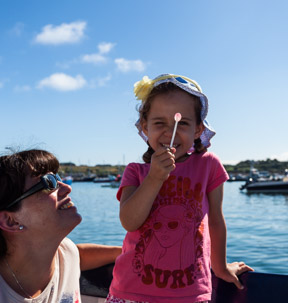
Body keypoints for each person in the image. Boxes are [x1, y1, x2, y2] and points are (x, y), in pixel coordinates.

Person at [106, 74, 253, 303]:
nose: (169, 132)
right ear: (145, 127)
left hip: (190, 293)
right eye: (159, 123)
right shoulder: (136, 171)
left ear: (197, 130)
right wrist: (154, 177)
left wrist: (221, 267)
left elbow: (215, 220)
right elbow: (129, 221)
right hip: (129, 292)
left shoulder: (208, 165)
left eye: (182, 123)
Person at [0, 149, 121, 302]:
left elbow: (77, 254)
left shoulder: (65, 254)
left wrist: (127, 252)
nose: (67, 188)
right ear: (11, 221)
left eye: (58, 179)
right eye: (48, 183)